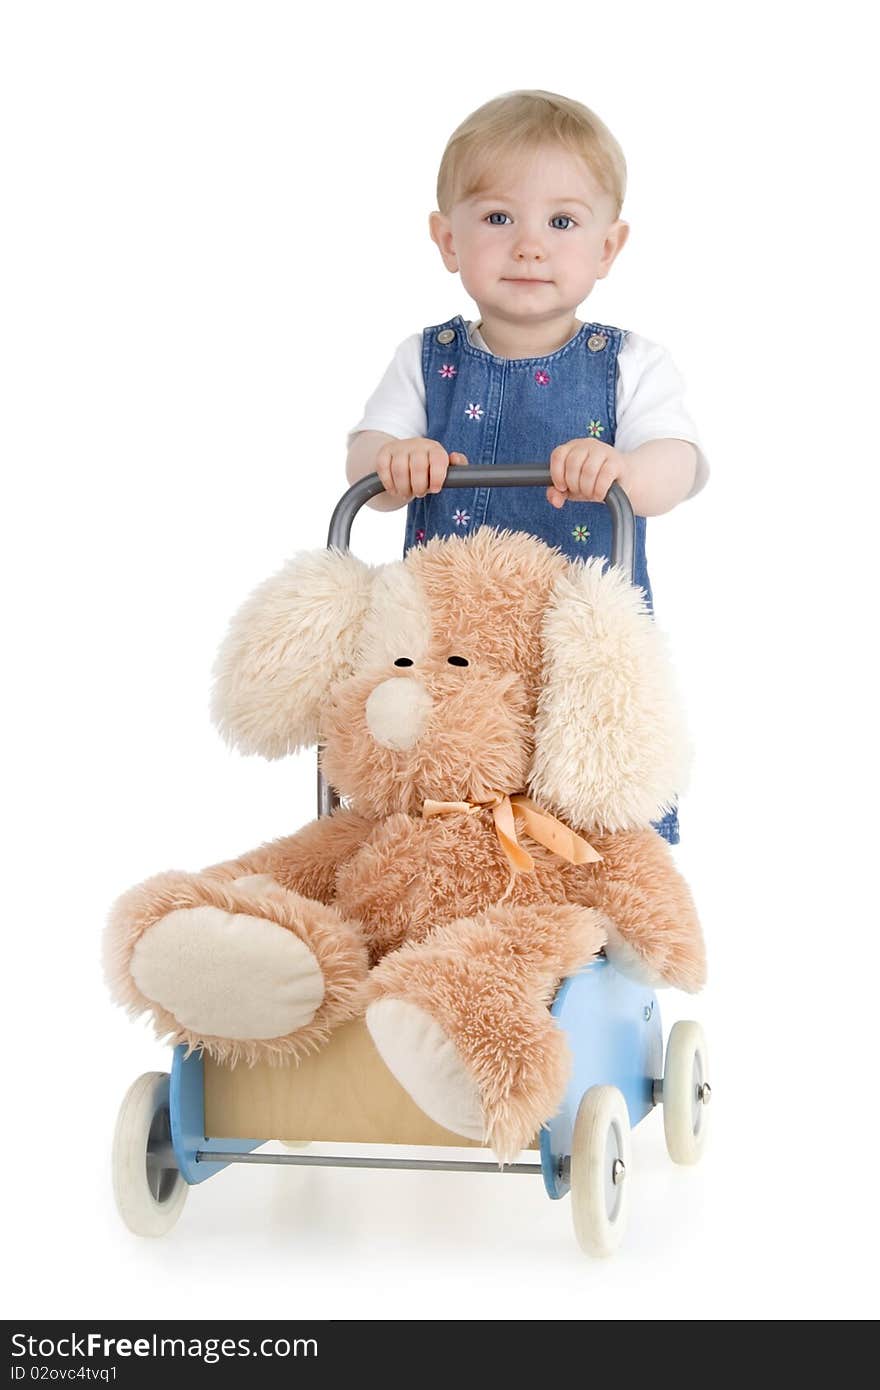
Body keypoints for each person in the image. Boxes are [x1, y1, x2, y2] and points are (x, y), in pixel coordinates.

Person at [345, 90, 708, 844]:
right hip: (455, 648)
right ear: (448, 240)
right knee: (446, 784)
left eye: (563, 222)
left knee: (592, 787)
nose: (529, 245)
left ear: (608, 248)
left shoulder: (630, 366)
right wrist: (394, 459)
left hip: (577, 639)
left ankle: (604, 921)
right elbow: (362, 469)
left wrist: (624, 471)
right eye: (498, 218)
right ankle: (434, 903)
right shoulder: (423, 361)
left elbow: (682, 467)